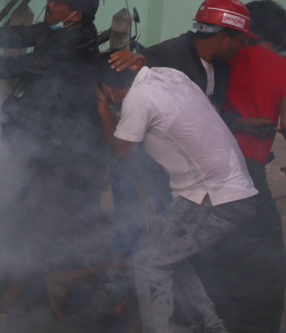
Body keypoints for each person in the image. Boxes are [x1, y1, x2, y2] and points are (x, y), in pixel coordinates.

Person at [0, 0, 107, 316]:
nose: (49, 4)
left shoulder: (73, 40)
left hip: (60, 147)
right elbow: (21, 35)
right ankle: (11, 280)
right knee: (18, 207)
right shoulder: (61, 28)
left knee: (38, 217)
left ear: (74, 15)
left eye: (58, 2)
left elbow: (23, 66)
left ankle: (22, 292)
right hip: (38, 134)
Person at [97, 60, 258, 333]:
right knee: (168, 256)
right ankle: (210, 327)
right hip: (230, 190)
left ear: (107, 88)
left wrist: (102, 107)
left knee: (149, 262)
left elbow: (121, 151)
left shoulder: (138, 97)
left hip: (211, 195)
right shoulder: (171, 76)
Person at [193, 0, 286, 333]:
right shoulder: (282, 68)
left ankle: (204, 318)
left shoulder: (221, 56)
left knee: (207, 244)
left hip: (204, 165)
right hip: (249, 173)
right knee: (264, 256)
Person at [110, 0, 253, 111]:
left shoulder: (220, 66)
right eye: (242, 40)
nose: (242, 47)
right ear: (221, 38)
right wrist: (138, 59)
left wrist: (239, 123)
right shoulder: (168, 56)